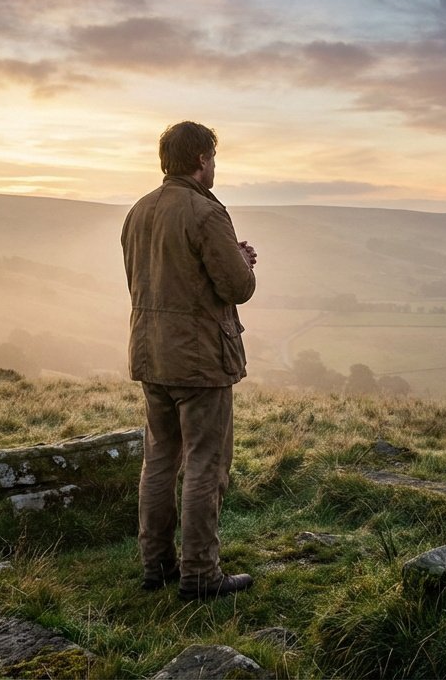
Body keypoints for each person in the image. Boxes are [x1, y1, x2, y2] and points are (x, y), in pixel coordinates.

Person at [122, 121, 258, 600]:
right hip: (200, 358)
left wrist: (227, 257)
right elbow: (236, 287)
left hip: (150, 352)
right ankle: (201, 574)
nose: (215, 166)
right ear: (202, 159)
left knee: (159, 459)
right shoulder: (205, 212)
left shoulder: (138, 212)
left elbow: (155, 277)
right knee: (206, 464)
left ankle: (155, 565)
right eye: (213, 159)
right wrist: (242, 261)